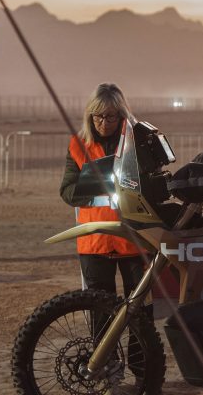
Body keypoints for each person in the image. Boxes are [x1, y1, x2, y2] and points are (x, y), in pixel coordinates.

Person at [59, 82, 147, 309]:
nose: (103, 123)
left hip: (134, 239)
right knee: (100, 314)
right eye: (97, 117)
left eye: (110, 117)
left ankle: (140, 348)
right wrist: (93, 192)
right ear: (89, 115)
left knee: (140, 312)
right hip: (95, 241)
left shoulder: (138, 142)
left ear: (121, 115)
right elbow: (66, 191)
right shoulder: (78, 145)